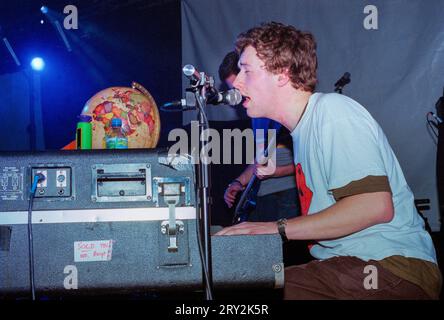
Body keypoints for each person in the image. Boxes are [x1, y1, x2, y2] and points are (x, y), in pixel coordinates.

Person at [216, 22, 442, 300]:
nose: (237, 82)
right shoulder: (302, 131)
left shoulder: (333, 113)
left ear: (282, 74)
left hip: (389, 268)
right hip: (349, 266)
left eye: (247, 71)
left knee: (256, 294)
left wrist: (275, 229)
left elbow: (374, 206)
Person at [219, 51, 301, 224]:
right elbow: (260, 161)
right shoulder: (256, 115)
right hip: (261, 196)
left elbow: (309, 164)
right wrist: (238, 183)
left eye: (239, 86)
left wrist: (276, 172)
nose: (238, 94)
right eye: (233, 89)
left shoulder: (285, 111)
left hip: (287, 195)